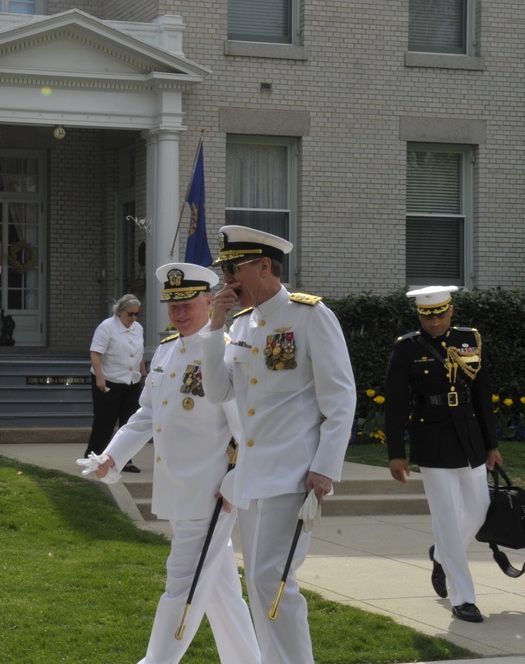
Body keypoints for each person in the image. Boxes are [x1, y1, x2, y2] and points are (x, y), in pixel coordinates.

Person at [200, 225, 356, 664]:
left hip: (294, 472)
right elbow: (218, 392)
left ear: (263, 265)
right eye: (225, 271)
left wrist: (325, 466)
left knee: (274, 581)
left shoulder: (310, 315)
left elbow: (340, 397)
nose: (226, 280)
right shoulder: (242, 324)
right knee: (261, 584)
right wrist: (214, 329)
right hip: (253, 475)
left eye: (233, 269)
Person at [90, 263, 261, 664]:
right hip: (177, 489)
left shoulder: (226, 350)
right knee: (220, 589)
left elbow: (246, 428)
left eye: (188, 305)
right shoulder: (168, 350)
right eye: (172, 306)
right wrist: (112, 455)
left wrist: (238, 479)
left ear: (209, 302)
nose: (180, 314)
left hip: (211, 493)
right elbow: (147, 416)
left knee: (182, 581)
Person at [384, 286, 502, 623]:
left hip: (470, 437)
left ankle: (441, 555)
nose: (434, 321)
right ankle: (463, 597)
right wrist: (396, 453)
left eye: (440, 314)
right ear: (419, 316)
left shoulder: (468, 339)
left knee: (479, 512)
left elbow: (482, 391)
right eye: (427, 315)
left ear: (451, 312)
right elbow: (394, 404)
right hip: (432, 439)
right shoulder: (406, 348)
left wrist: (492, 445)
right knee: (447, 519)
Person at [84, 293, 147, 472]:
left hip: (131, 381)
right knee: (105, 422)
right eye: (130, 314)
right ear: (120, 312)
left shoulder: (138, 328)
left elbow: (139, 354)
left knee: (129, 423)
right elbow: (95, 353)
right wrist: (99, 377)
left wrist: (144, 375)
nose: (133, 318)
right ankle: (93, 456)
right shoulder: (107, 327)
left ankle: (125, 460)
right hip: (109, 380)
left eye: (137, 314)